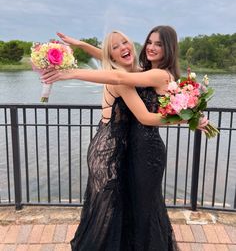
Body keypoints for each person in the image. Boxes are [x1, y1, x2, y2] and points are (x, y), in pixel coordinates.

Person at [42, 27, 207, 250]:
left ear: (168, 48)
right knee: (118, 208)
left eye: (158, 44)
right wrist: (81, 46)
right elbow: (112, 63)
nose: (151, 47)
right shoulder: (142, 72)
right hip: (117, 147)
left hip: (142, 150)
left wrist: (71, 73)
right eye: (150, 42)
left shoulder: (155, 74)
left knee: (138, 209)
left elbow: (127, 86)